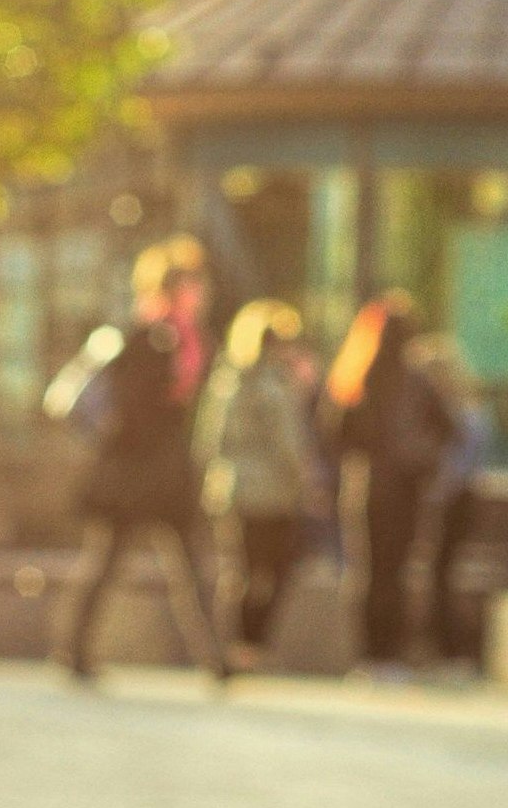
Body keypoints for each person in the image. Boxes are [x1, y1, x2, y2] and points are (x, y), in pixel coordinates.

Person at [53, 236, 228, 685]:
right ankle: (73, 650)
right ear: (176, 288)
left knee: (188, 564)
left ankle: (216, 658)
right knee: (114, 561)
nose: (201, 292)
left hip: (161, 471)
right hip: (137, 472)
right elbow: (135, 409)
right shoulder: (150, 338)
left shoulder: (185, 338)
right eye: (193, 283)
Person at [323, 295, 455, 676]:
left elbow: (334, 433)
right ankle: (390, 655)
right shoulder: (415, 380)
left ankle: (371, 654)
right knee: (395, 571)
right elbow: (449, 430)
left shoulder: (357, 374)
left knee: (370, 571)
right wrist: (420, 456)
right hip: (404, 489)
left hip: (367, 486)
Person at [195, 298, 321, 674]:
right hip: (273, 493)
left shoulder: (225, 381)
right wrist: (308, 481)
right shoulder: (274, 385)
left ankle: (232, 645)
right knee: (277, 569)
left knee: (241, 570)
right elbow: (290, 445)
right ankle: (251, 645)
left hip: (230, 490)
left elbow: (207, 442)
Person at [410, 334, 488, 665]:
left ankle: (452, 648)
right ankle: (438, 646)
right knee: (435, 572)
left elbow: (463, 464)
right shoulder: (446, 412)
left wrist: (434, 493)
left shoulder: (465, 414)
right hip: (444, 497)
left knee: (446, 573)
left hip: (455, 501)